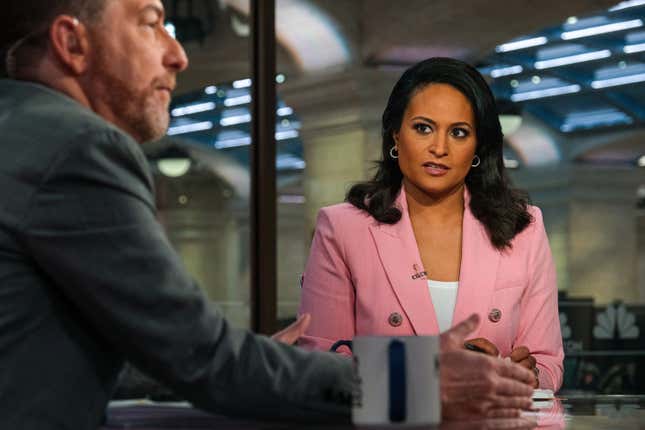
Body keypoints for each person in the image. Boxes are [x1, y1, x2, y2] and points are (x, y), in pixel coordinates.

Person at [0, 2, 537, 428]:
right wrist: (416, 383)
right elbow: (208, 360)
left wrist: (253, 361)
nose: (177, 54)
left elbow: (41, 362)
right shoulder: (78, 147)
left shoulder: (22, 131)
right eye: (150, 22)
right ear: (72, 42)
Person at [299, 57, 564, 391]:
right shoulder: (342, 228)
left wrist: (523, 374)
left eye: (458, 132)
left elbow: (548, 364)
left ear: (477, 146)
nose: (439, 148)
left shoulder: (525, 227)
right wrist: (434, 374)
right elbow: (321, 367)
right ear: (395, 135)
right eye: (423, 128)